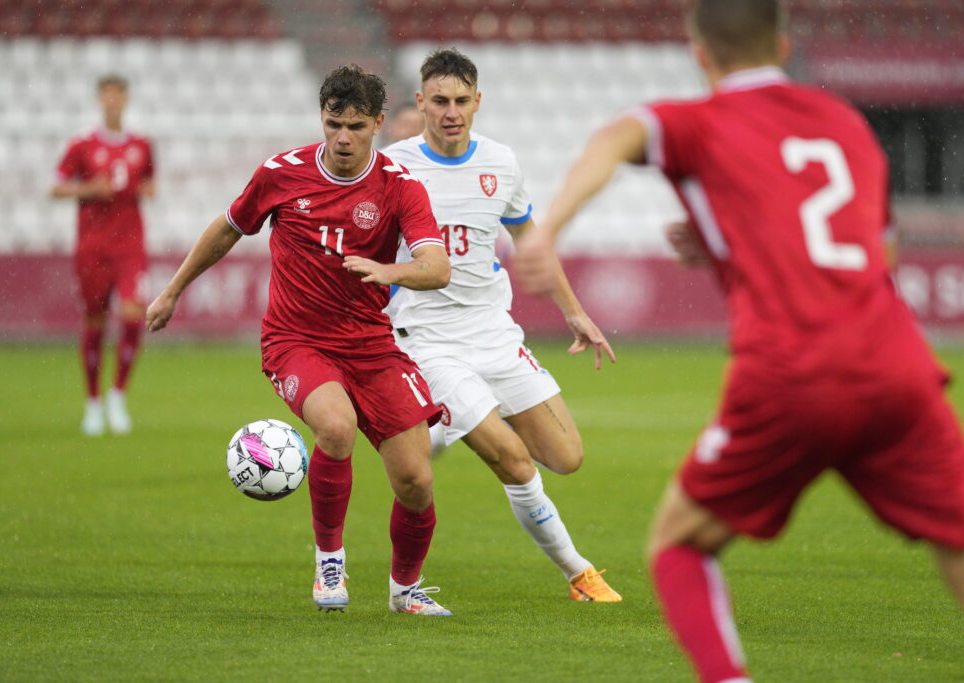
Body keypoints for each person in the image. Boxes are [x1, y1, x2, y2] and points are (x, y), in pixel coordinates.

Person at [515, 0, 964, 680]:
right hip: (897, 365)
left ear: (700, 54)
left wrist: (548, 232)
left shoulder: (701, 120)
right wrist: (744, 243)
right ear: (783, 45)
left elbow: (614, 136)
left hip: (793, 371)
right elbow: (880, 251)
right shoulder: (844, 122)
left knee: (678, 545)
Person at [146, 65, 455, 616]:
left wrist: (392, 272)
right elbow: (226, 229)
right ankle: (329, 561)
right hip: (296, 340)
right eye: (333, 123)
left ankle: (405, 590)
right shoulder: (281, 173)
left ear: (379, 124)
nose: (342, 137)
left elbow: (437, 268)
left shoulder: (400, 186)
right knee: (336, 427)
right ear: (322, 117)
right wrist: (173, 291)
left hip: (372, 344)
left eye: (356, 126)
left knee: (415, 479)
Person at [382, 48, 622, 602]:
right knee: (513, 459)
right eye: (439, 100)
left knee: (566, 457)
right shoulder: (393, 166)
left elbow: (529, 238)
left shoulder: (501, 162)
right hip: (428, 340)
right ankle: (578, 573)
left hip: (494, 332)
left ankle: (442, 424)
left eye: (461, 100)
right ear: (420, 102)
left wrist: (574, 311)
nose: (450, 111)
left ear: (477, 102)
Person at [51, 74, 155, 436]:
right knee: (95, 322)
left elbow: (150, 180)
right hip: (92, 247)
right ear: (100, 100)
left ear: (125, 100)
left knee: (131, 318)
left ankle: (117, 395)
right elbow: (56, 187)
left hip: (130, 247)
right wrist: (90, 188)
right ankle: (93, 402)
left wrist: (146, 188)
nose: (113, 101)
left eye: (118, 95)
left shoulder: (141, 144)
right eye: (107, 95)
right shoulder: (82, 144)